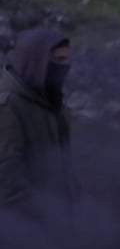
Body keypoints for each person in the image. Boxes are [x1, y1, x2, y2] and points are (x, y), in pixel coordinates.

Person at [0, 28, 75, 211]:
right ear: (36, 63)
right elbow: (7, 177)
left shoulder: (52, 102)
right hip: (27, 226)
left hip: (56, 217)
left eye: (67, 59)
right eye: (58, 60)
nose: (65, 67)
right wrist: (46, 213)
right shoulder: (8, 107)